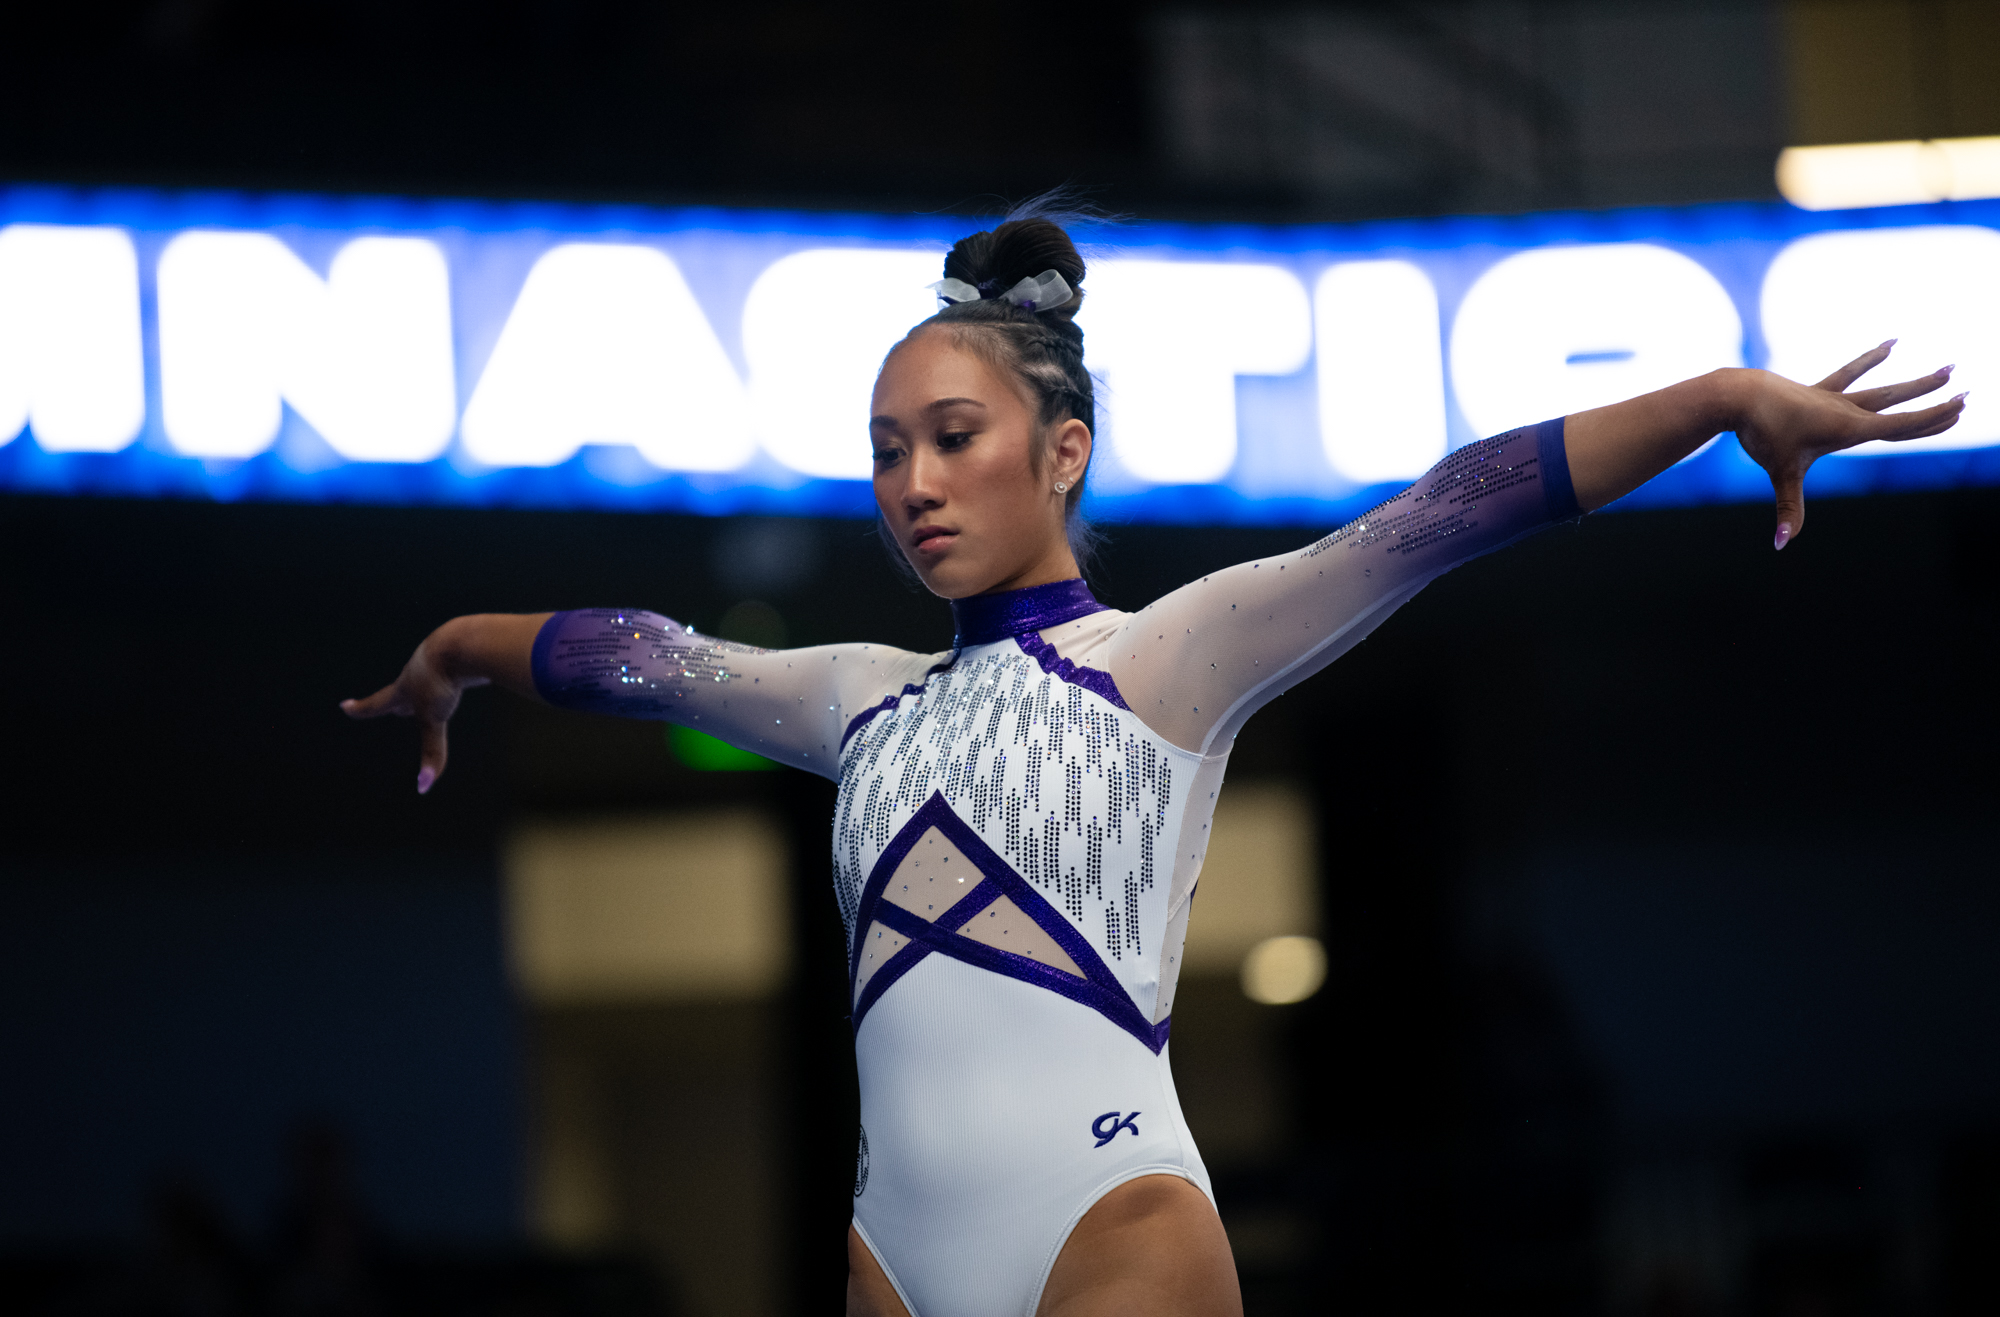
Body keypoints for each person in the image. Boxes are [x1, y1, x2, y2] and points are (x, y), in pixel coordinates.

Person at [342, 208, 1963, 1317]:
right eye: (887, 449)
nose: (914, 481)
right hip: (892, 1252)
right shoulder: (862, 698)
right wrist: (462, 648)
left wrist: (1724, 397)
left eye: (955, 437)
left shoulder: (1164, 661)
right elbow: (640, 656)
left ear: (1064, 451)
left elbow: (1453, 509)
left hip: (1109, 1220)